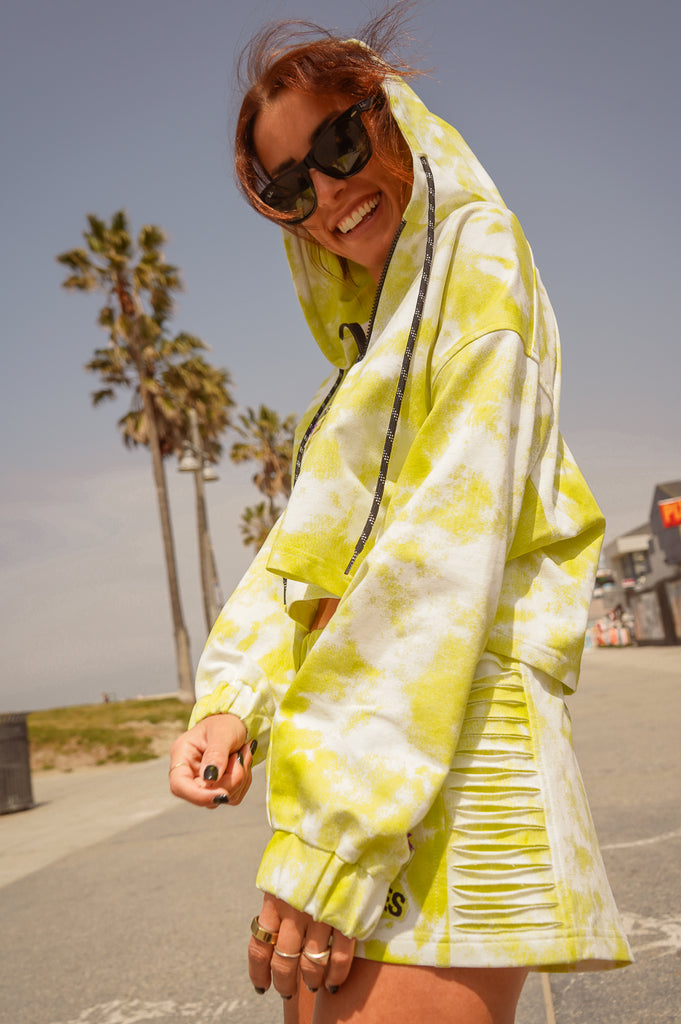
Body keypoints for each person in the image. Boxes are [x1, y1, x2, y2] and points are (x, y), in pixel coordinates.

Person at [169, 10, 632, 1023]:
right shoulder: (357, 374)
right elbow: (306, 553)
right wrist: (234, 699)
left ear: (393, 118)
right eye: (290, 186)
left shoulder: (477, 258)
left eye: (338, 142)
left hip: (454, 748)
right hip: (385, 757)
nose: (327, 193)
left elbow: (440, 553)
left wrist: (332, 836)